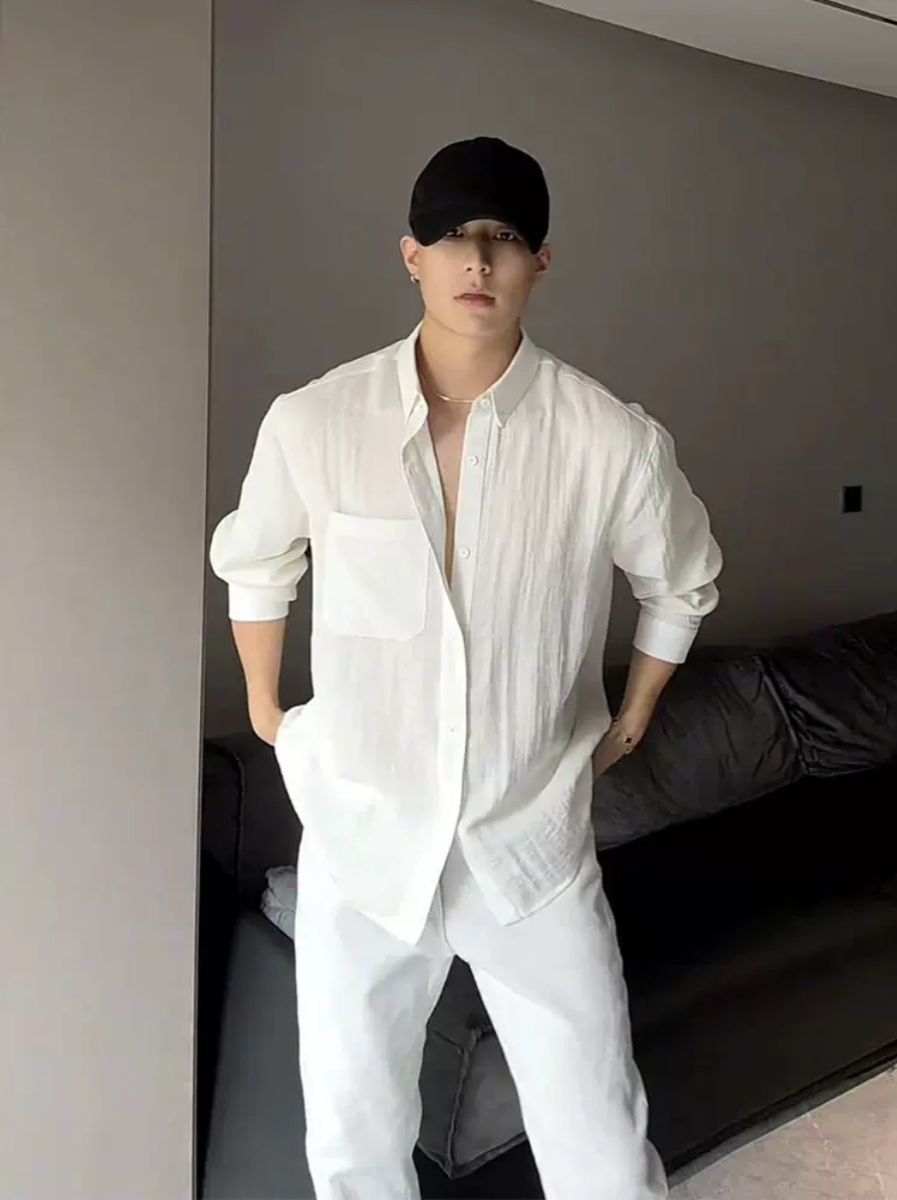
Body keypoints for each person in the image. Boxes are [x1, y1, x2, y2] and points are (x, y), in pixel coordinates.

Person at [209, 135, 722, 1200]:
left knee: (602, 1146)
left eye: (504, 236)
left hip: (529, 846)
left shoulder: (609, 440)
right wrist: (265, 707)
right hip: (363, 840)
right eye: (451, 235)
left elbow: (682, 581)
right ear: (412, 255)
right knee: (352, 1144)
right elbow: (257, 561)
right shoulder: (317, 421)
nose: (477, 259)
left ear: (542, 261)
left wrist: (633, 714)